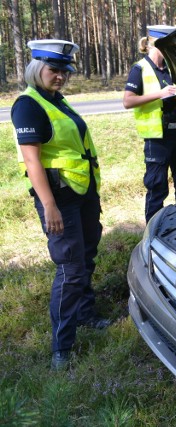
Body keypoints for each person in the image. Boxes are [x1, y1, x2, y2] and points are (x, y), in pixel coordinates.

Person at [11, 39, 110, 371]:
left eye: (64, 71)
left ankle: (85, 314)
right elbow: (32, 160)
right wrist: (49, 205)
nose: (61, 77)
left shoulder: (57, 101)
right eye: (54, 70)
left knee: (85, 256)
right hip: (58, 199)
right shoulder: (28, 105)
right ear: (37, 68)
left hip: (82, 193)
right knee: (69, 269)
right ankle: (62, 347)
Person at [123, 25, 176, 223]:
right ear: (156, 44)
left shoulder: (170, 69)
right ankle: (153, 229)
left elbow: (172, 97)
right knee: (157, 186)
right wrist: (160, 94)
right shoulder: (140, 68)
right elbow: (128, 101)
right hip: (157, 138)